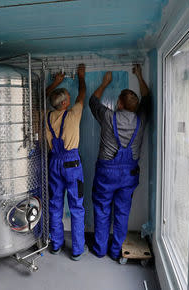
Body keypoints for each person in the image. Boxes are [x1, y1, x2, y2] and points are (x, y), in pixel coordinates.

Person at [89, 64, 150, 260]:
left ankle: (99, 250)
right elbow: (147, 98)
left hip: (106, 173)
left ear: (120, 105)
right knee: (122, 213)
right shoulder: (141, 119)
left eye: (118, 102)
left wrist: (104, 83)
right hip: (128, 175)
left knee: (102, 209)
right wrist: (140, 76)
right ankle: (116, 251)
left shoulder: (108, 117)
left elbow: (92, 101)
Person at [46, 64, 87, 261]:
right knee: (76, 206)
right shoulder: (73, 114)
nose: (70, 101)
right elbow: (82, 94)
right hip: (72, 164)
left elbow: (38, 100)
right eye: (67, 100)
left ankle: (56, 245)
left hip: (54, 163)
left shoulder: (46, 117)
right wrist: (81, 77)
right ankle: (78, 250)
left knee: (55, 205)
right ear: (63, 104)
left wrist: (55, 83)